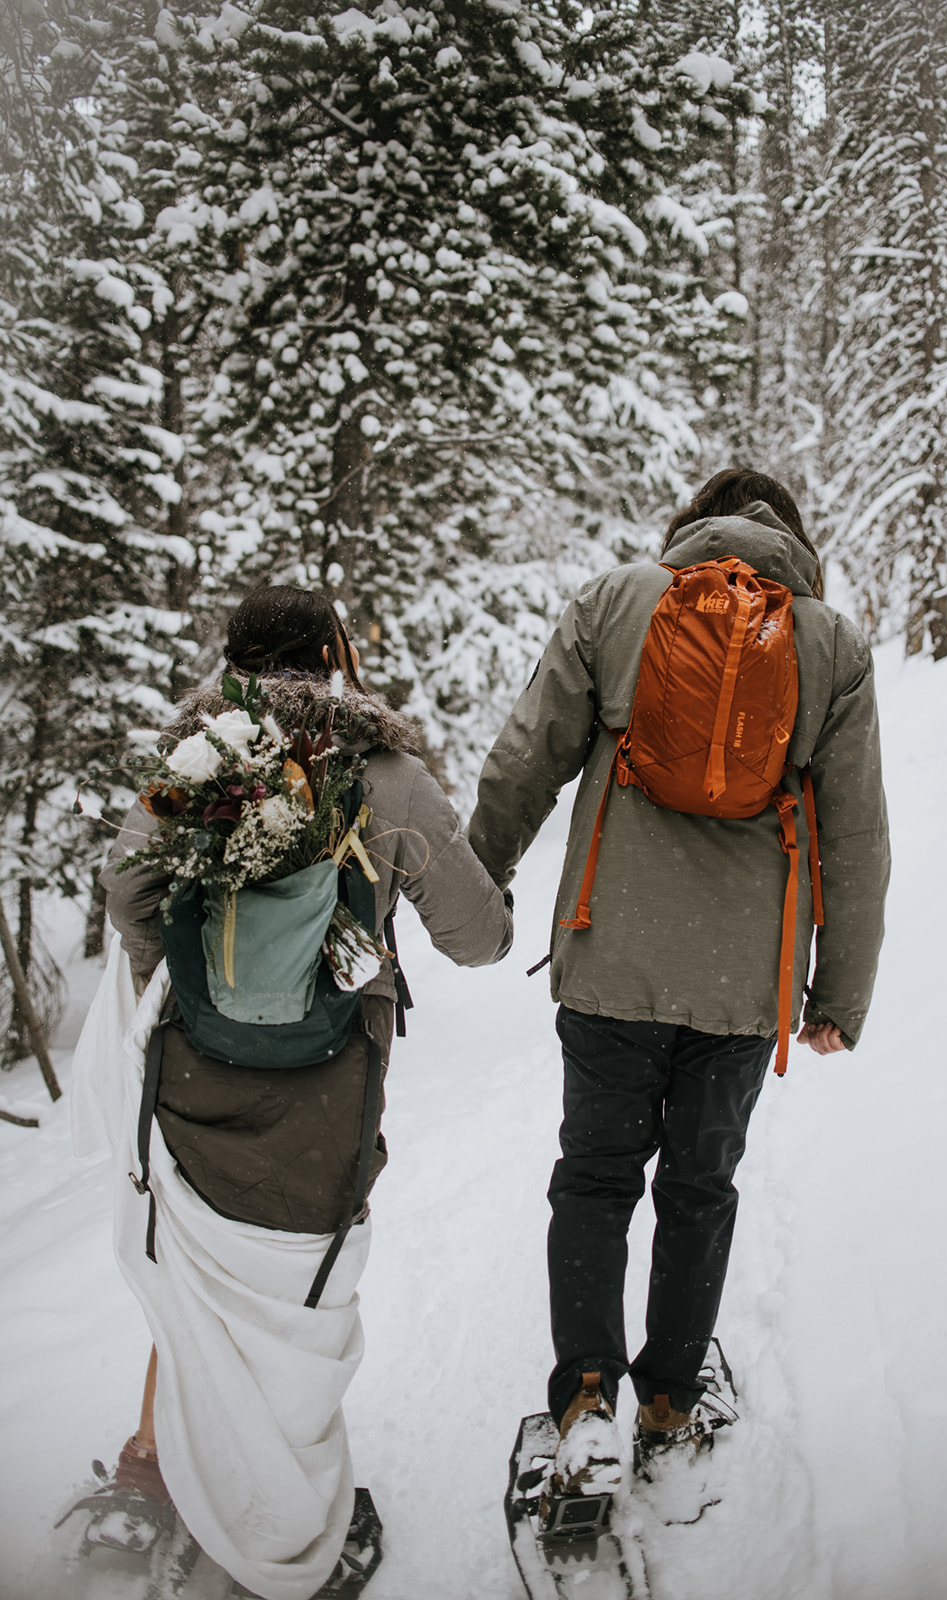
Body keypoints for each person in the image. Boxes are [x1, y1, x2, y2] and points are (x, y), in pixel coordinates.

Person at [86, 585, 512, 1599]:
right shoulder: (391, 775)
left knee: (204, 1296)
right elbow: (479, 937)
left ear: (232, 660)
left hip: (189, 1083)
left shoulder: (197, 758)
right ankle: (291, 1533)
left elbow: (124, 891)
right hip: (329, 1098)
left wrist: (198, 980)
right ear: (335, 657)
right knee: (300, 1313)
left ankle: (174, 1477)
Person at [466, 467, 889, 1483]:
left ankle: (582, 1400)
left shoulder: (617, 601)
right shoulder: (829, 642)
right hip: (743, 985)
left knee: (595, 1176)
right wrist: (838, 994)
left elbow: (526, 756)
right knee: (699, 1186)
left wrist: (478, 887)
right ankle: (667, 1396)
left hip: (610, 954)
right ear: (791, 537)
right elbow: (857, 835)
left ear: (692, 525)